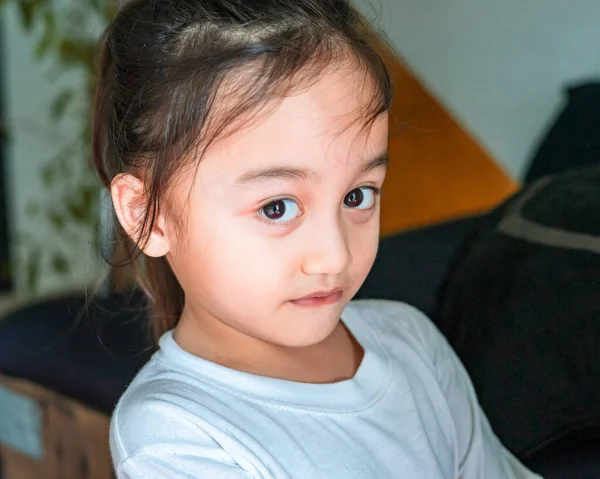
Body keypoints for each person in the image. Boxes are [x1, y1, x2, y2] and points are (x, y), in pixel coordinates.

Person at [92, 0, 543, 477]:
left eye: (357, 196)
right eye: (277, 207)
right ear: (149, 216)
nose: (335, 254)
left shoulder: (413, 343)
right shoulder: (175, 436)